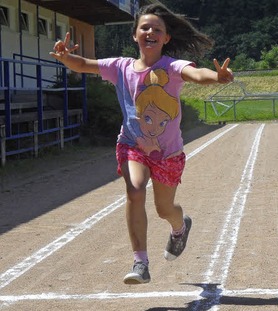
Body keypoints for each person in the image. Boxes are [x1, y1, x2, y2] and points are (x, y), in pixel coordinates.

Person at [50, 2, 234, 284]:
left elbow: (197, 74)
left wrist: (217, 77)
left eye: (157, 29)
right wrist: (65, 58)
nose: (150, 32)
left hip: (168, 153)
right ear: (135, 35)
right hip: (132, 145)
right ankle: (140, 263)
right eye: (144, 27)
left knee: (165, 209)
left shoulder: (172, 67)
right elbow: (84, 64)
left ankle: (179, 228)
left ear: (166, 38)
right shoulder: (120, 67)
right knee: (135, 191)